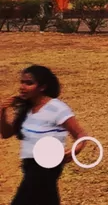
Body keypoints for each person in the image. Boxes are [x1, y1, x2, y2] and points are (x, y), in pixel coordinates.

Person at [1, 65, 91, 205]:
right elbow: (6, 134)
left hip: (46, 166)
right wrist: (2, 111)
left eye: (29, 83)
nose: (22, 87)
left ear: (42, 87)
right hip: (29, 166)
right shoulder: (27, 109)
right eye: (22, 82)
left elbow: (81, 135)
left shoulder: (57, 108)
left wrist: (75, 150)